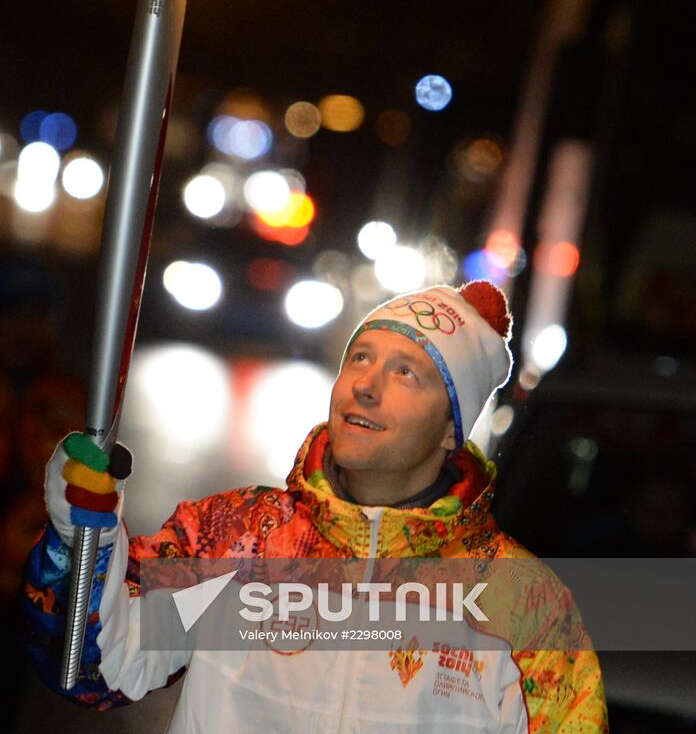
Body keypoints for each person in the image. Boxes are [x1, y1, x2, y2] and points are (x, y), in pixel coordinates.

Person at [22, 280, 608, 731]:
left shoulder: (523, 605)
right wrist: (81, 537)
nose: (367, 385)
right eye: (361, 358)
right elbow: (90, 668)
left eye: (407, 374)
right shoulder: (234, 539)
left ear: (452, 430)